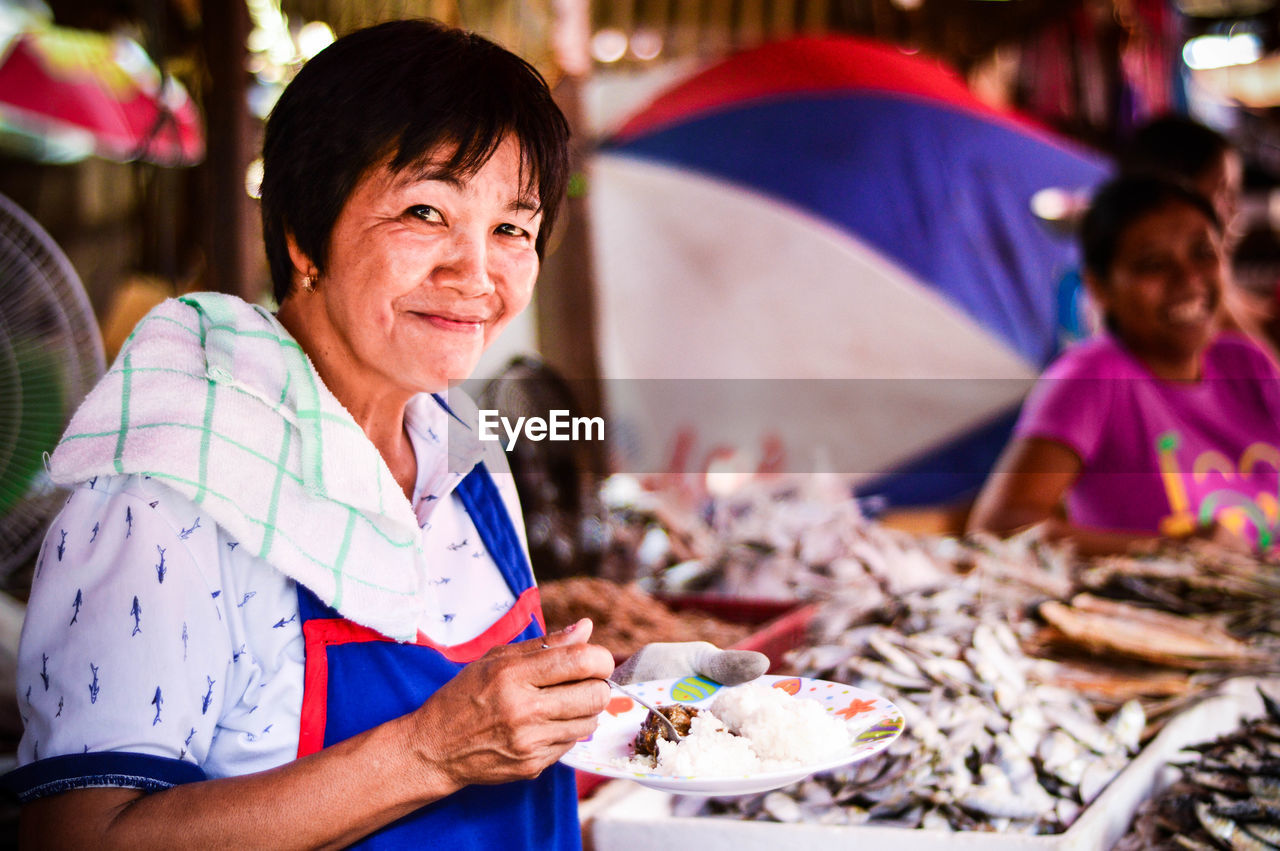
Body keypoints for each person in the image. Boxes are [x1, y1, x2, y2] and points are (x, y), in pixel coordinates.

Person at [1, 20, 766, 849]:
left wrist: (611, 701)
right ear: (304, 234)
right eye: (426, 211)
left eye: (512, 227)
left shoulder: (460, 442)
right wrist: (427, 752)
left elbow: (483, 721)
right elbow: (78, 836)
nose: (475, 274)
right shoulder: (166, 496)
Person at [968, 175, 1280, 556]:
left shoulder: (1246, 362)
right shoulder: (1094, 375)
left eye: (1202, 253)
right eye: (1153, 264)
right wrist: (1165, 552)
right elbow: (999, 526)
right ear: (1100, 288)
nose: (1188, 278)